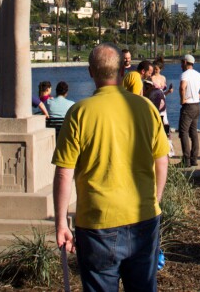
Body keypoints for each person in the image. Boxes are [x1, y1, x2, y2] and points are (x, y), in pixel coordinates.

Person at [52, 43, 169, 291]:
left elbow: (64, 171)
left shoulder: (79, 113)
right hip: (144, 217)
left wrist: (61, 221)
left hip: (97, 223)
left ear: (90, 72)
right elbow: (162, 159)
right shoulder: (146, 108)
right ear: (122, 71)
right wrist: (156, 200)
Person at [179, 54, 200, 168]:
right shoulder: (198, 75)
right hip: (197, 106)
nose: (180, 64)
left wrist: (182, 99)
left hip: (188, 106)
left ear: (185, 62)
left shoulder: (185, 74)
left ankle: (186, 160)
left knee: (183, 132)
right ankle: (194, 159)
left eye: (181, 62)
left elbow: (182, 87)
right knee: (193, 133)